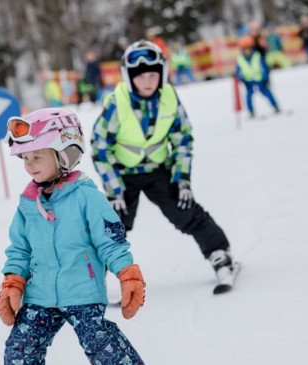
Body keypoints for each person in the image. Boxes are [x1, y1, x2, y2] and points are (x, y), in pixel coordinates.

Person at [0, 106, 177, 365]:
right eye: (24, 158)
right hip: (40, 294)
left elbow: (111, 241)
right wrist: (13, 280)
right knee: (21, 343)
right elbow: (19, 248)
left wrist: (127, 273)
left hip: (81, 288)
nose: (29, 165)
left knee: (99, 340)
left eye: (37, 156)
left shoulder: (86, 197)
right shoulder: (27, 203)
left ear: (65, 154)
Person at [91, 40, 237, 289]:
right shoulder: (117, 104)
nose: (147, 82)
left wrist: (182, 180)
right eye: (140, 77)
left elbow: (182, 140)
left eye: (152, 75)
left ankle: (220, 254)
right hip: (123, 176)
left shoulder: (169, 99)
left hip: (158, 171)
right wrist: (114, 190)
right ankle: (91, 278)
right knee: (111, 225)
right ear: (129, 77)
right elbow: (100, 146)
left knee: (186, 211)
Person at [235, 36, 280, 117]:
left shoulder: (257, 56)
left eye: (248, 48)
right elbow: (238, 72)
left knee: (267, 93)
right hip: (248, 82)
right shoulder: (240, 59)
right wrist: (242, 80)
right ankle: (251, 112)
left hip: (260, 80)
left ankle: (276, 106)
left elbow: (265, 68)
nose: (247, 51)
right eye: (245, 49)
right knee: (248, 97)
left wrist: (265, 78)